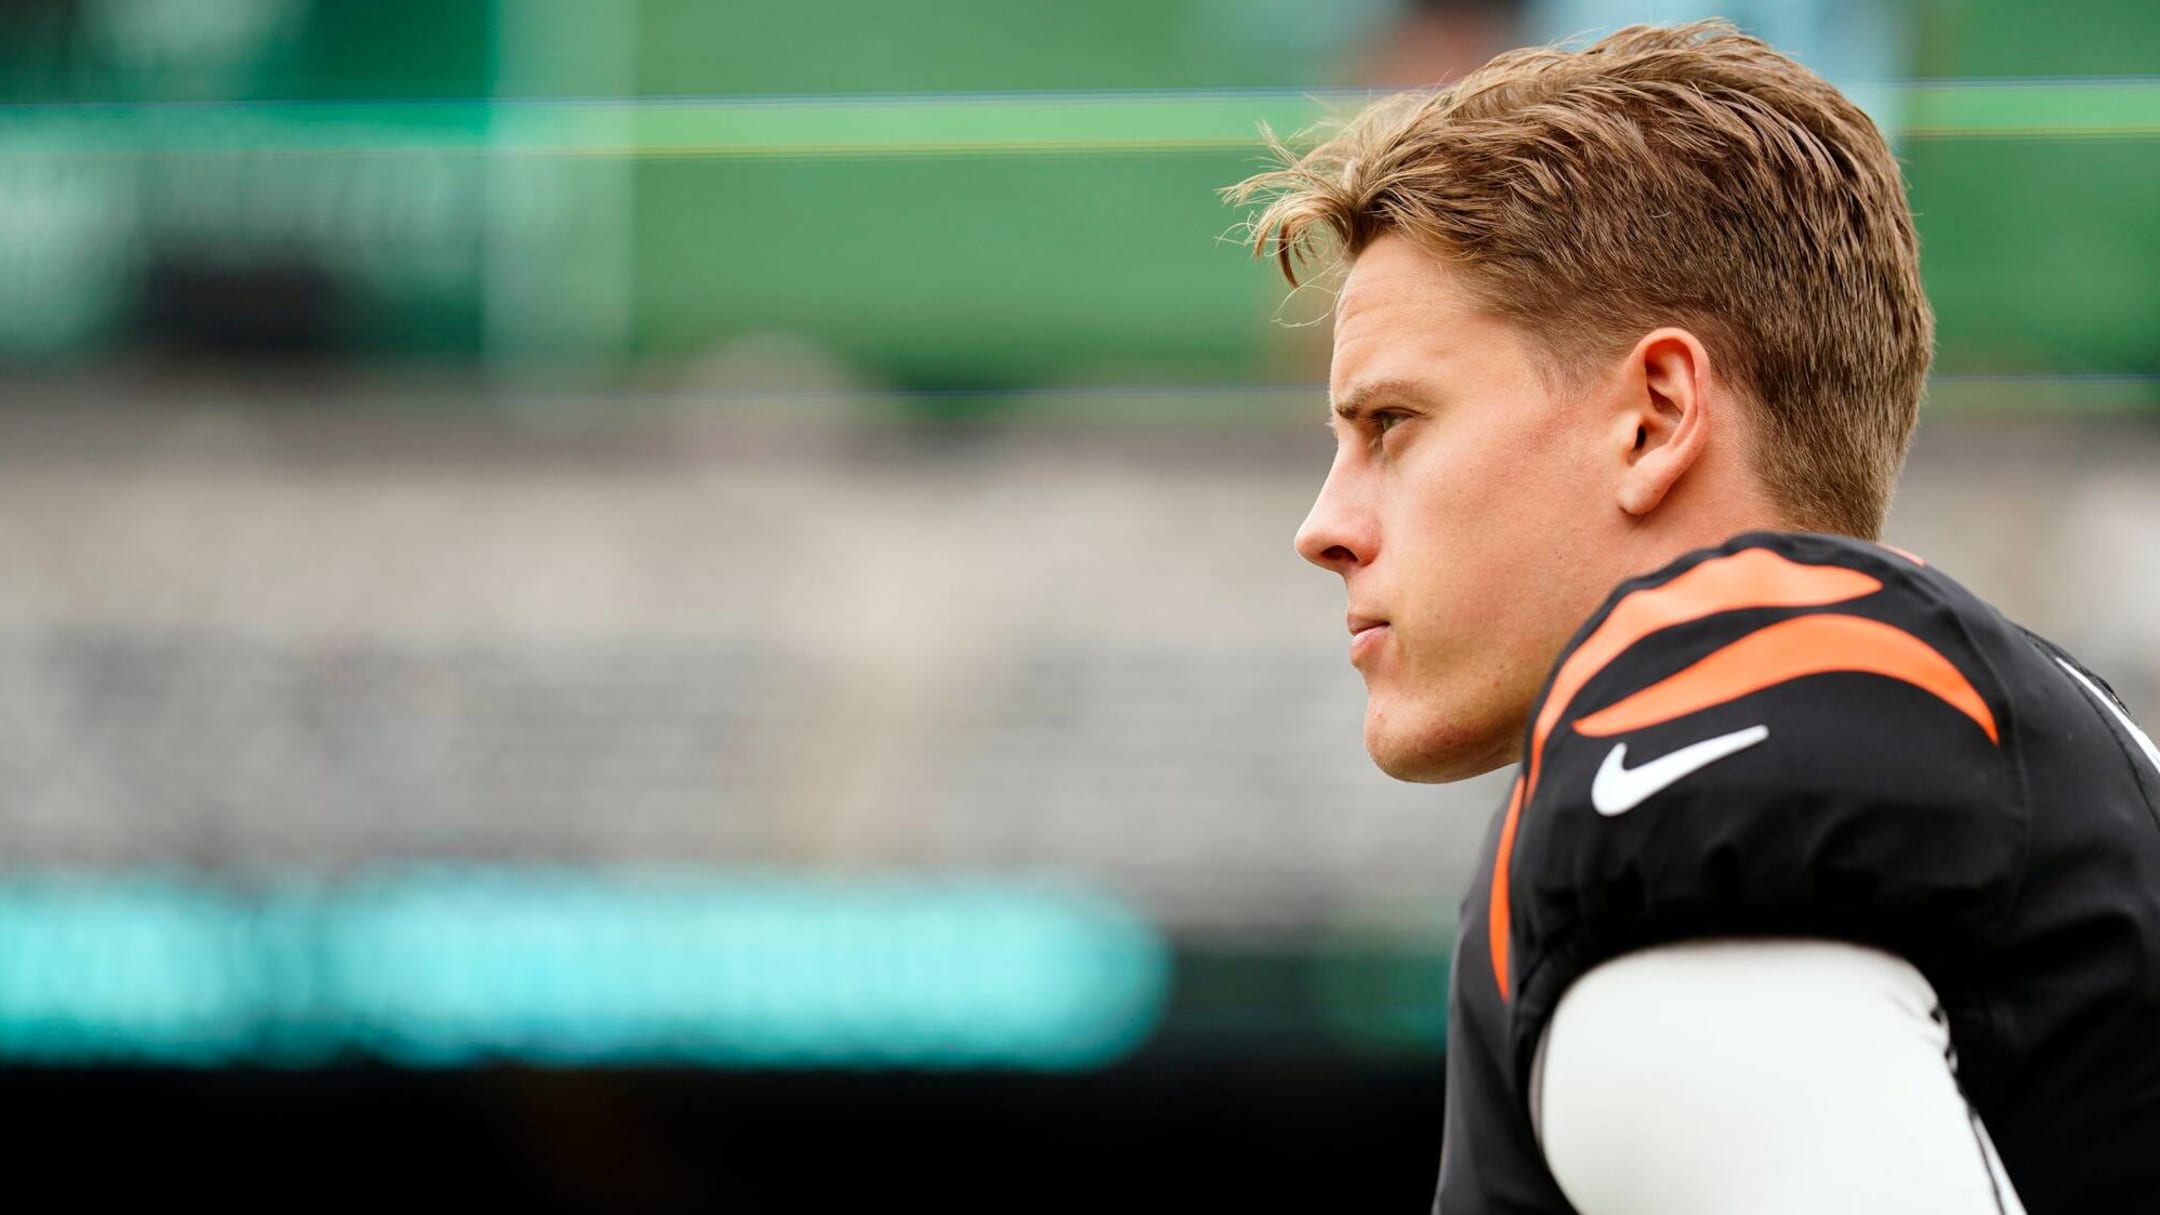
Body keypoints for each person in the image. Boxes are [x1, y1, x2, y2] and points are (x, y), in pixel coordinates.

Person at [1226, 21, 2160, 1215]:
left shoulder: (1700, 745)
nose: (1325, 524)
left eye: (1391, 424)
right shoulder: (2045, 716)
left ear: (1655, 416)